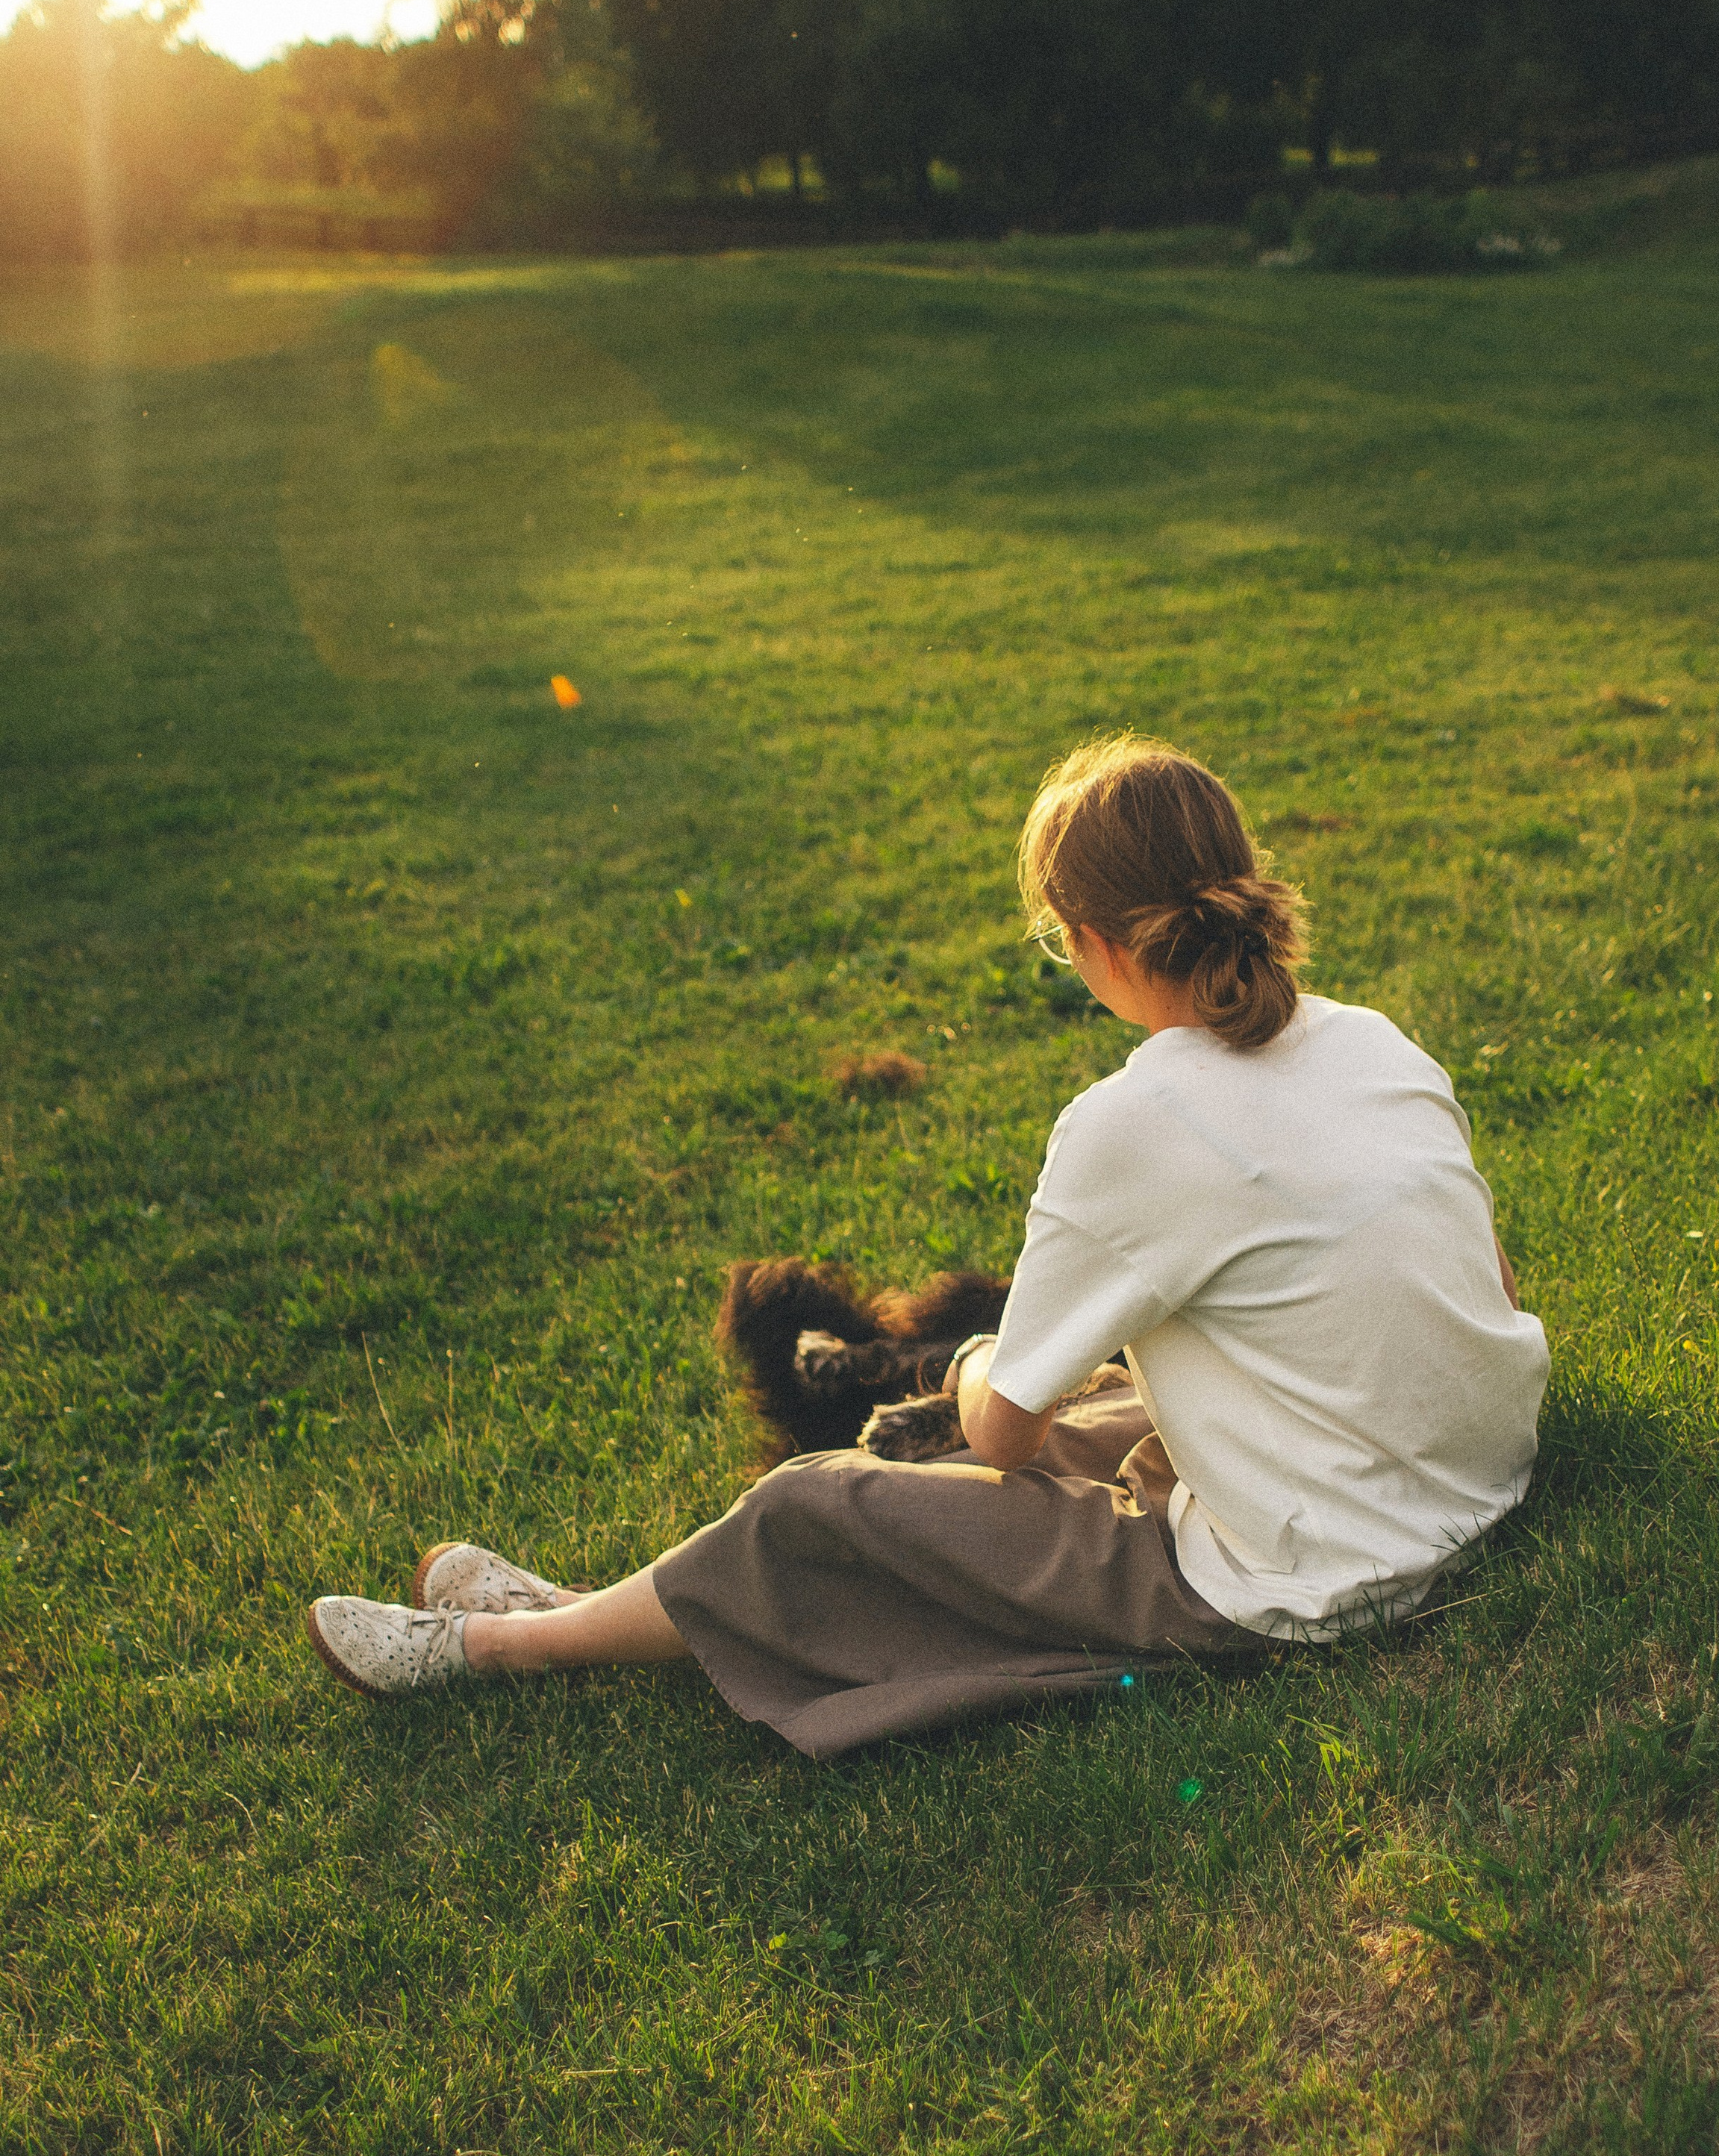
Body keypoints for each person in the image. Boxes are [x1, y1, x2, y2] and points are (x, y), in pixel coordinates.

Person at [306, 736, 1550, 1757]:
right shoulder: (1372, 1038)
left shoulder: (1132, 1122)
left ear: (1094, 944)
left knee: (822, 1504)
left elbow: (1005, 1436)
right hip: (1485, 1478)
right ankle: (587, 1604)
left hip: (1330, 1569)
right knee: (1116, 1404)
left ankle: (508, 1644)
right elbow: (1486, 1282)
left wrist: (965, 1371)